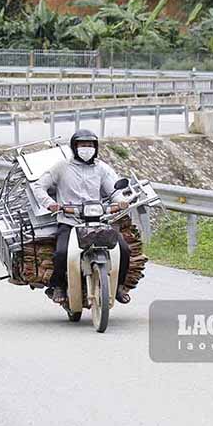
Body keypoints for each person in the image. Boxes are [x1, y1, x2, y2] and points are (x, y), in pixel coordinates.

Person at [32, 129, 132, 305]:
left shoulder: (101, 169)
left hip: (98, 220)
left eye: (90, 145)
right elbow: (39, 186)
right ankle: (58, 286)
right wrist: (50, 203)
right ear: (74, 147)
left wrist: (121, 201)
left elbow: (114, 191)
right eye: (82, 145)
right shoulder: (62, 167)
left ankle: (119, 286)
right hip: (70, 221)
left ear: (96, 147)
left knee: (124, 249)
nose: (86, 148)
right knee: (61, 253)